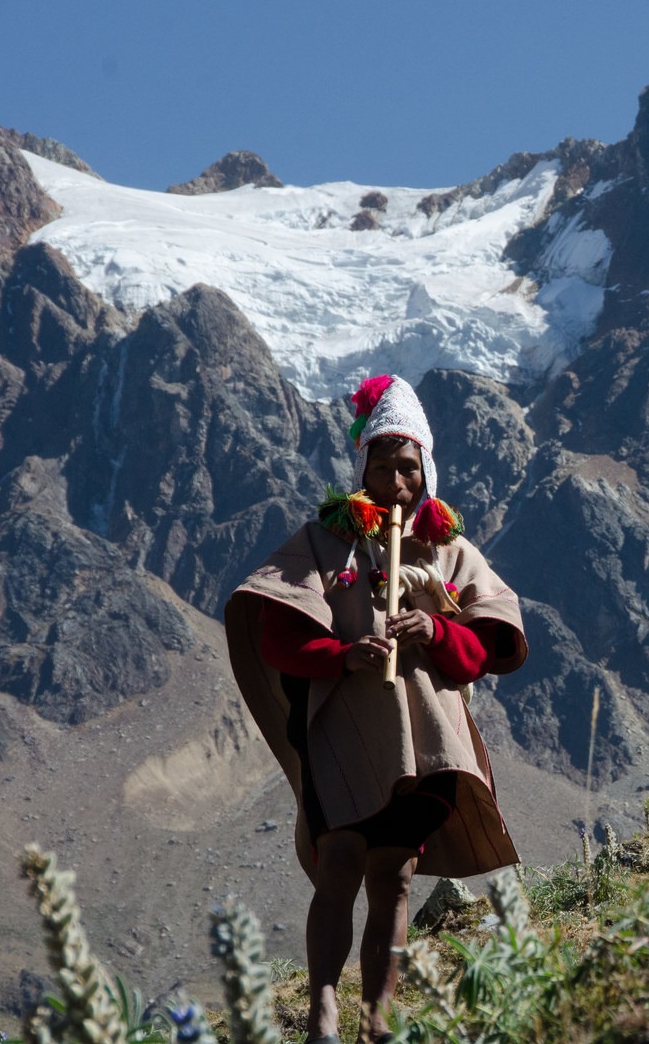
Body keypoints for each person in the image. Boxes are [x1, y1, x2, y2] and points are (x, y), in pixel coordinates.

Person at [225, 374, 527, 1044]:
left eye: (408, 467)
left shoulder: (448, 550)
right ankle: (323, 1011)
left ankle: (376, 1019)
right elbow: (278, 637)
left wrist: (438, 630)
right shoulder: (324, 544)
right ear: (361, 466)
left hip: (424, 740)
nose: (396, 478)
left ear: (426, 473)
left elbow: (481, 650)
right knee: (340, 860)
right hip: (344, 730)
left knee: (394, 875)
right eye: (383, 464)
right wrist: (340, 654)